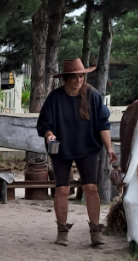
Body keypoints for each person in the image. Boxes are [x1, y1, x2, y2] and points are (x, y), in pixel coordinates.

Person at [36, 58, 117, 246]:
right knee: (62, 189)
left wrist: (109, 148)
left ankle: (96, 230)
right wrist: (49, 135)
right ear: (66, 78)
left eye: (81, 76)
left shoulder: (93, 95)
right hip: (61, 149)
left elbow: (103, 124)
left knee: (91, 187)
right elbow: (44, 125)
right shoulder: (55, 98)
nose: (78, 80)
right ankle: (62, 230)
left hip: (87, 147)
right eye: (74, 77)